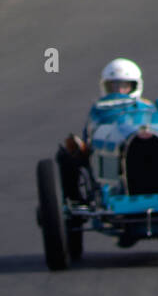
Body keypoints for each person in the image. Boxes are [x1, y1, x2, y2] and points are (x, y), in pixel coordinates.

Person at [57, 58, 152, 202]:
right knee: (67, 152)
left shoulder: (147, 108)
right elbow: (87, 136)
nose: (119, 91)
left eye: (124, 86)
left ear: (134, 86)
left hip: (140, 152)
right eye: (113, 86)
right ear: (106, 87)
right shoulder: (98, 110)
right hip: (103, 150)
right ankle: (74, 200)